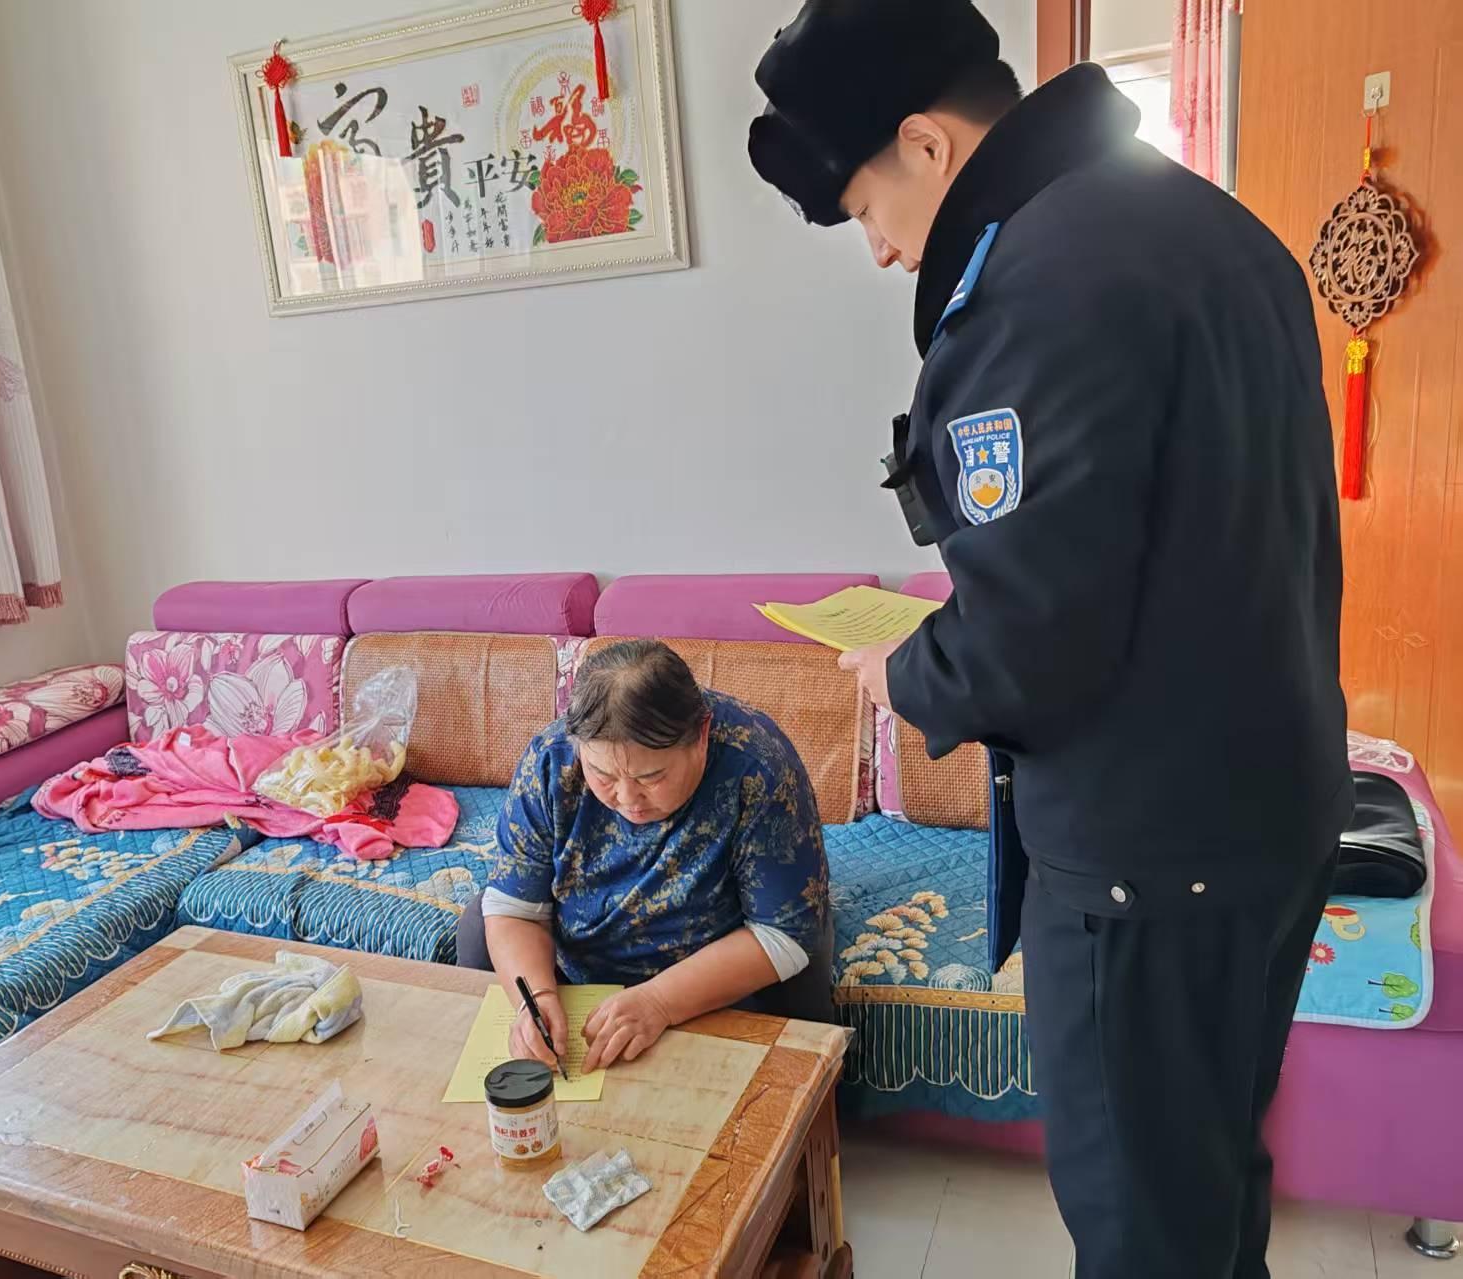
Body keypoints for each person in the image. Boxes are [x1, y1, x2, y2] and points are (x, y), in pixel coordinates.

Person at [749, 4, 1350, 1277]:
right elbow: (1163, 553)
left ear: (926, 144)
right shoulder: (1206, 226)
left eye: (864, 211)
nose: (878, 249)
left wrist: (905, 671)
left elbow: (1030, 642)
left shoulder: (1035, 280)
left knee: (1140, 1227)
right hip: (1268, 808)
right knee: (1205, 1186)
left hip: (1146, 855)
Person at [457, 639, 833, 1073]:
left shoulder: (758, 765)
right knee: (480, 926)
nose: (626, 798)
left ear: (702, 736)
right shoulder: (550, 761)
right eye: (602, 774)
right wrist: (536, 1001)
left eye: (651, 777)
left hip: (713, 975)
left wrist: (659, 1001)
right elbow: (515, 908)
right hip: (575, 962)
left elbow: (783, 932)